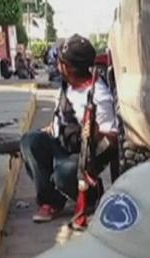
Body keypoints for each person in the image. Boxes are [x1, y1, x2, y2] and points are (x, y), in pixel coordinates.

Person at [20, 34, 119, 223]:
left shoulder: (99, 94)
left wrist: (96, 132)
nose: (58, 65)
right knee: (30, 142)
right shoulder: (67, 85)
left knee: (64, 173)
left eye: (61, 62)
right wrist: (50, 129)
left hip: (84, 156)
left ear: (69, 67)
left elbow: (113, 139)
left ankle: (90, 195)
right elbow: (61, 115)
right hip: (62, 145)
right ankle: (51, 202)